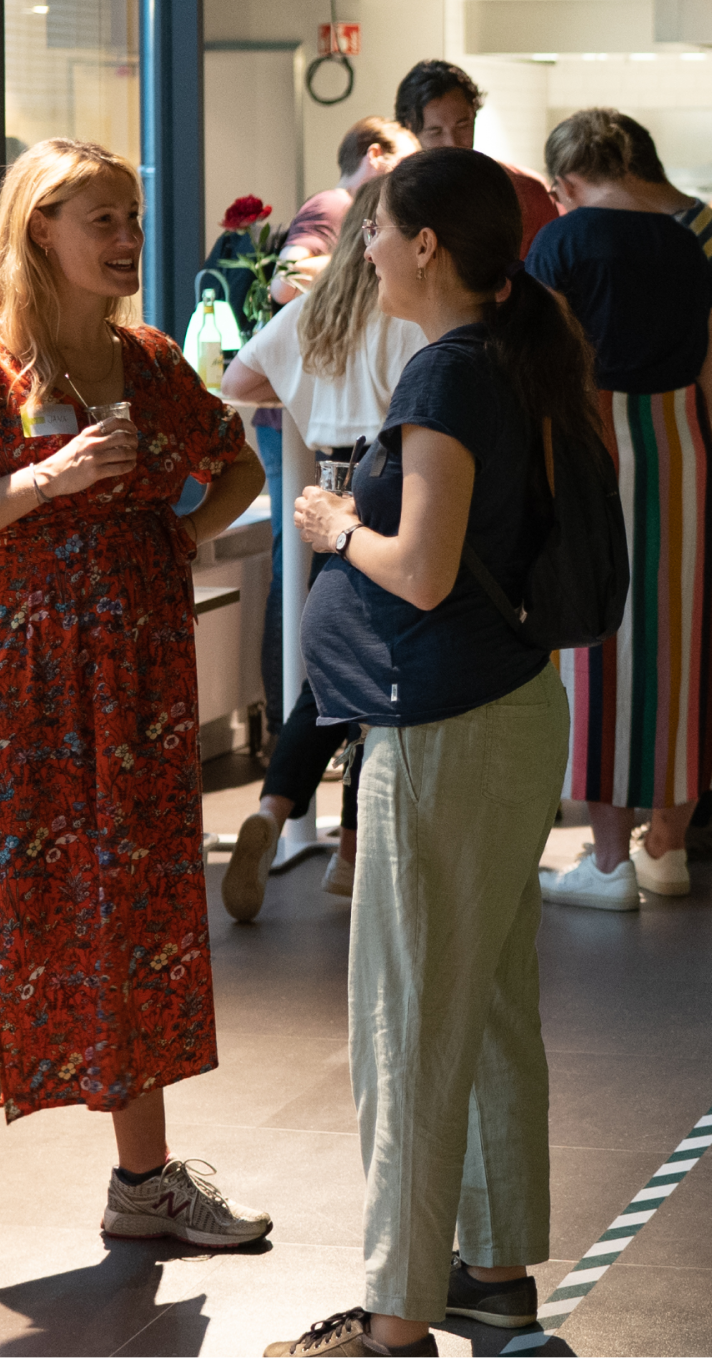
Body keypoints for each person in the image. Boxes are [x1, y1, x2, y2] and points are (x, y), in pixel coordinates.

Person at [0, 139, 271, 1310]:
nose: (127, 238)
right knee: (8, 918)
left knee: (142, 904)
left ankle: (144, 1182)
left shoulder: (150, 361)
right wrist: (48, 483)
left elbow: (238, 464)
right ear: (39, 225)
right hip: (27, 686)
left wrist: (182, 521)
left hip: (143, 671)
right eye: (102, 217)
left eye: (135, 217)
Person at [264, 146, 595, 1358]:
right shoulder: (519, 353)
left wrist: (340, 521)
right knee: (493, 1004)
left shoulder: (450, 377)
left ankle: (396, 1315)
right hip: (508, 711)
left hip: (444, 730)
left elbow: (423, 565)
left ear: (427, 250)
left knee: (405, 1023)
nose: (360, 250)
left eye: (374, 230)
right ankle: (494, 1271)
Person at [527, 110, 712, 913]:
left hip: (593, 445)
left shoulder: (561, 243)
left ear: (568, 178)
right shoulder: (688, 242)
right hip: (682, 447)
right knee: (685, 644)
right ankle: (668, 849)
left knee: (596, 646)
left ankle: (608, 861)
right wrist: (703, 455)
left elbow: (547, 358)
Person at [219, 177, 429, 916]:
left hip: (325, 492)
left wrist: (307, 391)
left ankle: (273, 812)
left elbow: (237, 379)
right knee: (394, 674)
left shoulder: (312, 310)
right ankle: (353, 846)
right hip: (394, 488)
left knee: (332, 674)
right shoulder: (412, 314)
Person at [393, 60, 559, 256]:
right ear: (409, 128)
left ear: (473, 115)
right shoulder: (393, 197)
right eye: (435, 131)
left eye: (462, 125)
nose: (452, 142)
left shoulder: (524, 191)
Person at [268, 115, 416, 305]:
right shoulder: (334, 204)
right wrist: (371, 259)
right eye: (404, 164)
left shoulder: (352, 208)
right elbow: (284, 283)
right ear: (375, 155)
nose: (409, 178)